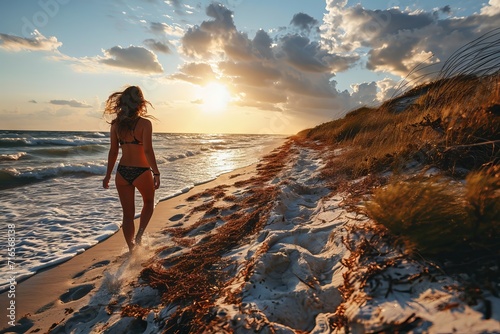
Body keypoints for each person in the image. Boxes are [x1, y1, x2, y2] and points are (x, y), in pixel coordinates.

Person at [102, 85, 160, 252]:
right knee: (148, 203)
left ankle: (131, 248)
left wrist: (107, 176)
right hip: (141, 171)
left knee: (127, 215)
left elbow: (113, 152)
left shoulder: (115, 125)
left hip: (122, 173)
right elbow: (148, 150)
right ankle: (140, 235)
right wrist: (156, 172)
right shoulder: (145, 124)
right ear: (140, 103)